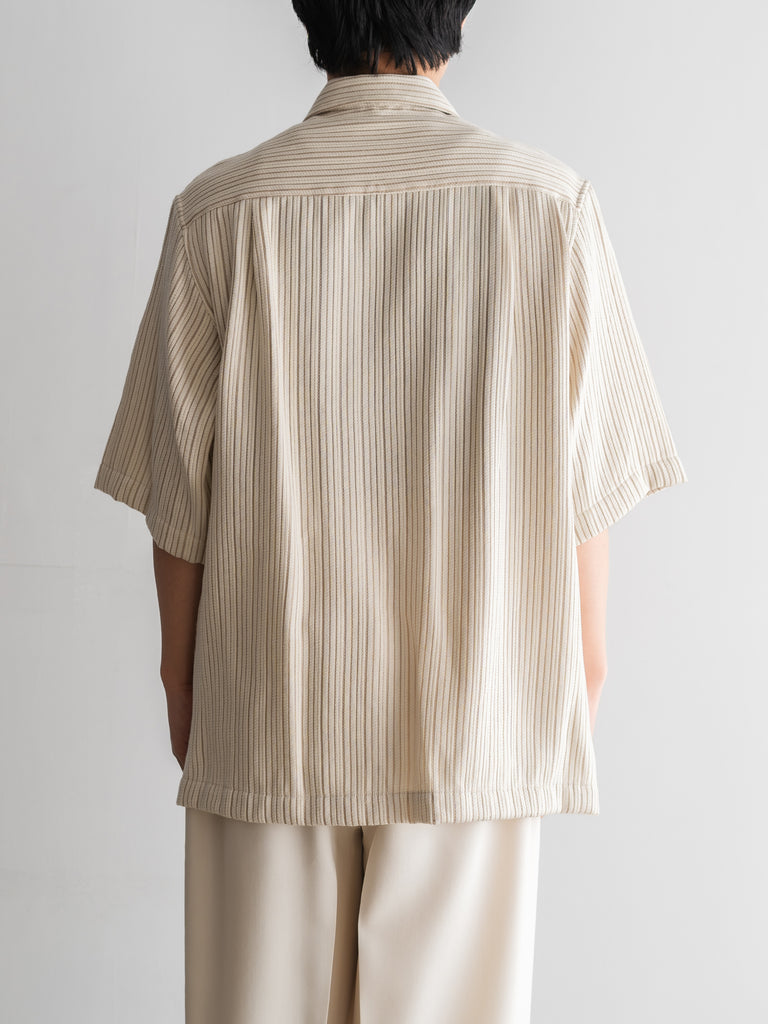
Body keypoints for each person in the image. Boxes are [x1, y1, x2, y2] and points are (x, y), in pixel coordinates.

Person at [93, 2, 688, 1021]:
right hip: (475, 719)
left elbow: (177, 509)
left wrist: (193, 699)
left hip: (267, 712)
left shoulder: (219, 213)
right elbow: (587, 512)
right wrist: (548, 701)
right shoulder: (550, 207)